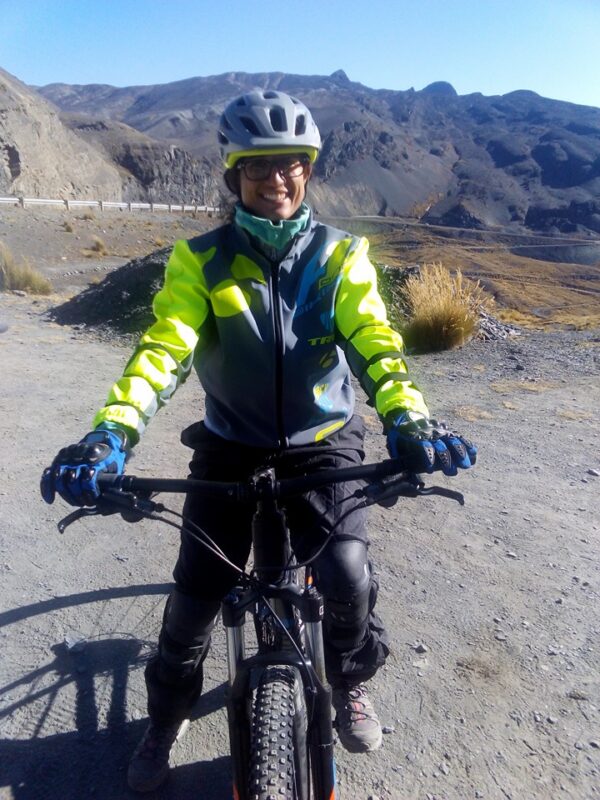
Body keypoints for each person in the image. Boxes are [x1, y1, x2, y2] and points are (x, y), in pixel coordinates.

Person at [41, 90, 476, 793]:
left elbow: (375, 344)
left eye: (291, 165)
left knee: (346, 575)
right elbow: (164, 350)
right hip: (230, 445)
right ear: (233, 177)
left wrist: (410, 419)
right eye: (258, 167)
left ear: (308, 171)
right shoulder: (200, 260)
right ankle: (166, 715)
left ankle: (350, 677)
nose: (276, 179)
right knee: (197, 594)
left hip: (323, 440)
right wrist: (111, 434)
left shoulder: (340, 257)